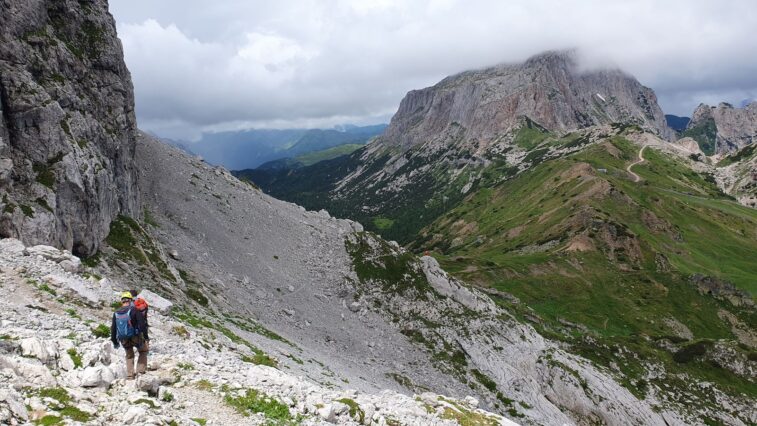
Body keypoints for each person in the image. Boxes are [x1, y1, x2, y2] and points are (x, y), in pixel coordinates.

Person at [110, 291, 149, 380]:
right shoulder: (134, 310)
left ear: (122, 301)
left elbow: (113, 328)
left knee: (129, 355)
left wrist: (115, 341)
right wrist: (146, 337)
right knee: (143, 351)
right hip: (135, 336)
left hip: (123, 338)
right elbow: (142, 325)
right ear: (130, 300)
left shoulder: (116, 312)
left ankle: (130, 375)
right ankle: (140, 372)